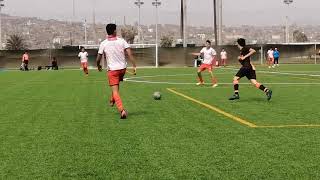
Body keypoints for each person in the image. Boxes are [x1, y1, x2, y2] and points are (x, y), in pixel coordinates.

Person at [96, 23, 137, 119]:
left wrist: (98, 65)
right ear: (114, 31)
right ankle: (112, 99)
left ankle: (122, 110)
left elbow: (98, 58)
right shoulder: (122, 41)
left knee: (115, 90)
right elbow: (130, 54)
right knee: (117, 84)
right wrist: (134, 65)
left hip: (112, 71)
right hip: (122, 69)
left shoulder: (103, 43)